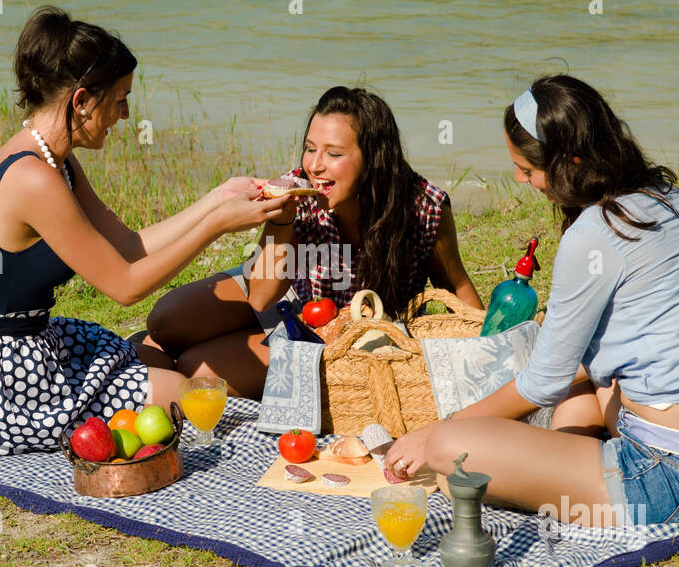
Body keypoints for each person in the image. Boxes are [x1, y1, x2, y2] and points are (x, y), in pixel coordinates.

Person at [385, 75, 679, 528]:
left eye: (528, 170)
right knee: (581, 394)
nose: (522, 180)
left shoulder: (594, 234)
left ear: (574, 162)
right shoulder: (663, 198)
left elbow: (542, 383)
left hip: (677, 477)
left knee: (451, 450)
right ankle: (563, 462)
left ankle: (562, 470)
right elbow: (584, 364)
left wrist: (437, 429)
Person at [0, 6, 286, 455]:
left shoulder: (51, 159)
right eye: (120, 99)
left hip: (24, 345)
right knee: (178, 393)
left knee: (150, 360)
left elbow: (127, 245)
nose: (124, 115)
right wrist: (218, 226)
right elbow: (125, 286)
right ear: (82, 100)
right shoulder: (34, 179)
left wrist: (217, 200)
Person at [138, 86, 482, 398]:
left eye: (333, 153)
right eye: (310, 149)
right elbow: (260, 295)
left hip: (329, 335)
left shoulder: (423, 208)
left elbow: (456, 285)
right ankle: (149, 357)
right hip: (282, 289)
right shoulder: (295, 194)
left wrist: (491, 347)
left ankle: (161, 367)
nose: (315, 166)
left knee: (195, 367)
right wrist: (284, 218)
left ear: (373, 158)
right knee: (165, 321)